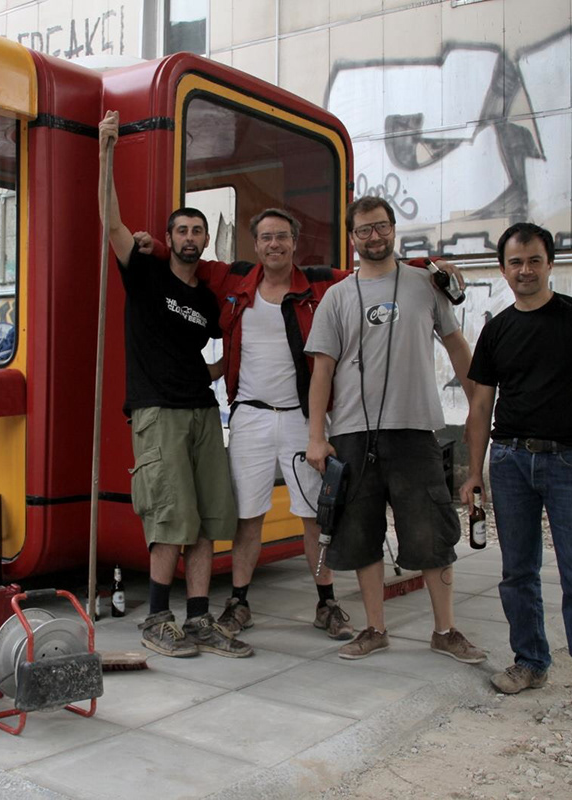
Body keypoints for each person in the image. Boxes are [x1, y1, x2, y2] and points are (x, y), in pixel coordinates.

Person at [136, 209, 356, 640]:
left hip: (300, 419)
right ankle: (239, 601)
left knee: (314, 515)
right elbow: (190, 257)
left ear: (295, 241)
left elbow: (368, 271)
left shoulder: (316, 283)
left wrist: (428, 268)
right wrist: (157, 247)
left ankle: (326, 602)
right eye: (266, 237)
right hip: (250, 417)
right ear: (255, 244)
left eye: (282, 237)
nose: (275, 244)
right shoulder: (236, 279)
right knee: (247, 516)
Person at [305, 196, 486, 663]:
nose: (374, 236)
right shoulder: (337, 297)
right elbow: (321, 371)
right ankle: (374, 628)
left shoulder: (425, 284)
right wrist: (315, 436)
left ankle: (444, 630)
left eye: (381, 226)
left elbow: (457, 345)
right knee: (361, 533)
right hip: (352, 434)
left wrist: (478, 406)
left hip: (415, 430)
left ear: (393, 229)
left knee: (432, 532)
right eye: (364, 230)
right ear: (352, 239)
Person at [460, 221, 572, 727]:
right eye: (515, 262)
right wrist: (474, 473)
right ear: (503, 269)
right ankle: (531, 661)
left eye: (534, 260)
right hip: (510, 462)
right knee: (517, 572)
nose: (525, 270)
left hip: (569, 462)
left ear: (550, 263)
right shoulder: (497, 328)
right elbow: (480, 405)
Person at [98, 109, 251, 658]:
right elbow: (111, 221)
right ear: (167, 237)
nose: (189, 237)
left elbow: (210, 349)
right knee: (171, 521)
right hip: (156, 411)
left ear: (205, 238)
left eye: (197, 230)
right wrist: (106, 150)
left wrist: (220, 372)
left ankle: (198, 619)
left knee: (209, 522)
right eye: (180, 230)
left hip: (204, 411)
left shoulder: (208, 301)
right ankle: (156, 618)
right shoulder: (143, 272)